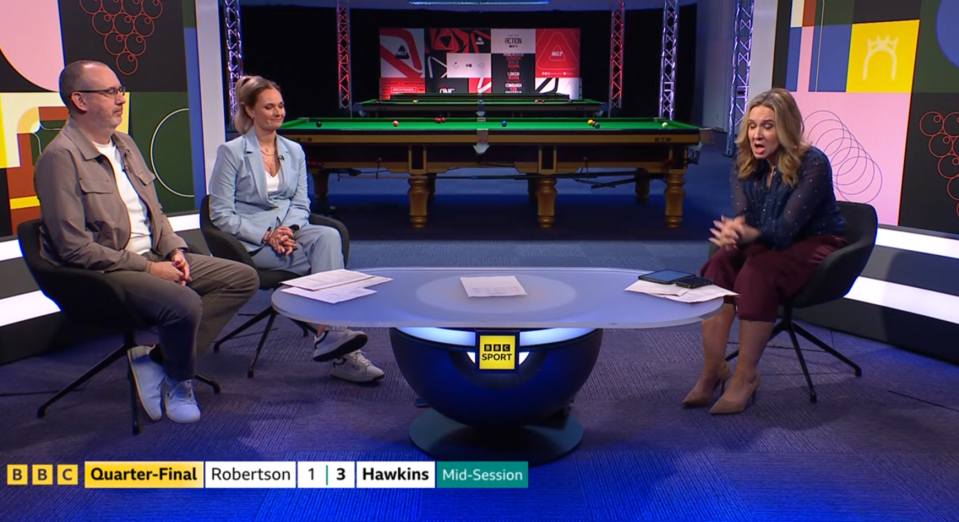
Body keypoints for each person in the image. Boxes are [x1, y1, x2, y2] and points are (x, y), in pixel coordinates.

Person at [34, 60, 260, 424]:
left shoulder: (125, 144)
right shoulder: (59, 159)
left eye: (120, 90)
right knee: (185, 303)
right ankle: (180, 379)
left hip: (153, 254)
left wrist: (174, 251)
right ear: (79, 100)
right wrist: (150, 268)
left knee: (242, 278)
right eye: (110, 92)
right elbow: (73, 248)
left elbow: (156, 213)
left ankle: (157, 360)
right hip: (108, 270)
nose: (121, 99)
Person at [208, 75, 384, 383]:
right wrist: (267, 236)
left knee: (328, 236)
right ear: (250, 111)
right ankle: (337, 342)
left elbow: (301, 203)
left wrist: (288, 229)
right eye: (268, 107)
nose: (278, 113)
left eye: (281, 106)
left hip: (290, 232)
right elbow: (220, 214)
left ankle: (330, 333)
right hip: (251, 242)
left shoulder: (294, 150)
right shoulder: (231, 153)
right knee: (328, 266)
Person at [684, 88, 848, 415]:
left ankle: (746, 377)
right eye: (753, 125)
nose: (757, 134)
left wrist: (748, 233)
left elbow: (787, 230)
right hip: (769, 240)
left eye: (768, 126)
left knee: (757, 274)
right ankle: (714, 369)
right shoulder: (745, 163)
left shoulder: (813, 163)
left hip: (813, 240)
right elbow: (747, 217)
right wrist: (735, 232)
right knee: (717, 265)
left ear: (786, 129)